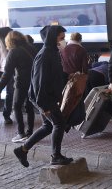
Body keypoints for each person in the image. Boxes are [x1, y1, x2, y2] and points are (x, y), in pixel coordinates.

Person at [14, 25, 73, 167]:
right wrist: (43, 105)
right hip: (44, 98)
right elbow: (38, 82)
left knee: (48, 126)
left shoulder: (53, 52)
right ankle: (56, 156)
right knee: (59, 123)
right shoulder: (45, 54)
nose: (64, 41)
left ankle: (23, 149)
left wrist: (68, 76)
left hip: (48, 96)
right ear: (53, 38)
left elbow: (55, 74)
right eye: (61, 38)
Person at [0, 31, 37, 143]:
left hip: (21, 83)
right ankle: (30, 132)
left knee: (16, 106)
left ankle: (21, 133)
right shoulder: (31, 48)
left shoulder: (13, 52)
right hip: (33, 82)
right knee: (30, 107)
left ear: (9, 41)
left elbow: (7, 74)